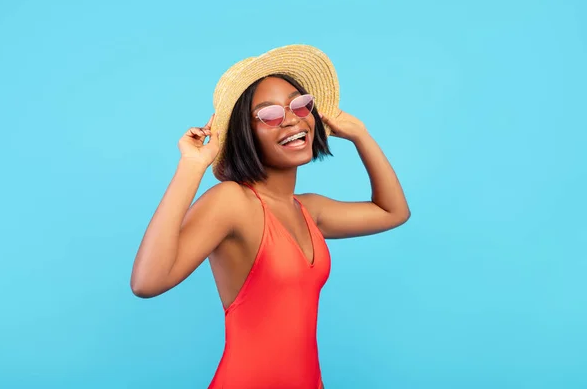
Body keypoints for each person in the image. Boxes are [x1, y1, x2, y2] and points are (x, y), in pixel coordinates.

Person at [130, 44, 410, 389]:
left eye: (299, 104)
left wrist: (361, 135)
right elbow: (146, 282)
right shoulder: (233, 202)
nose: (292, 119)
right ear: (245, 133)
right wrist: (191, 166)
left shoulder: (310, 210)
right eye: (270, 114)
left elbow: (393, 212)